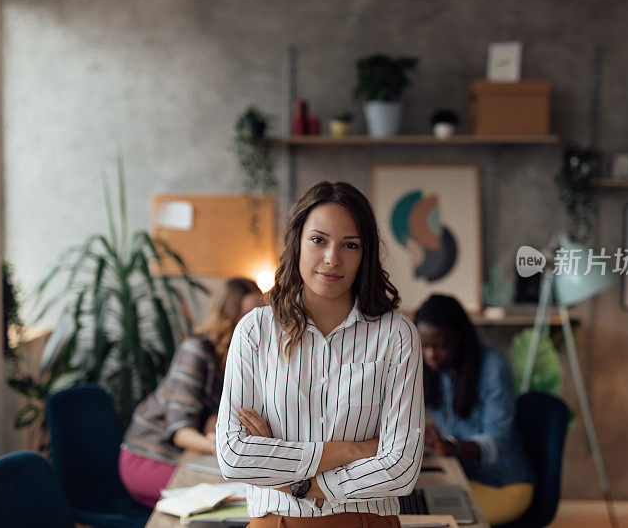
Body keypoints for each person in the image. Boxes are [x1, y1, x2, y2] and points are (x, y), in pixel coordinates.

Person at [216, 181, 425, 528]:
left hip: (365, 523)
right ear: (297, 242)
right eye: (318, 240)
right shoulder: (254, 331)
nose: (332, 258)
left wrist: (295, 478)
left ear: (365, 254)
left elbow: (401, 469)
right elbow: (234, 457)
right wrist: (352, 450)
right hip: (276, 522)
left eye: (350, 245)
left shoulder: (396, 335)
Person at [119, 277, 264, 507]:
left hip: (185, 453)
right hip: (147, 455)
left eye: (261, 312)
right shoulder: (195, 352)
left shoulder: (238, 355)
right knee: (219, 495)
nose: (258, 322)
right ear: (228, 317)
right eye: (249, 314)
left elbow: (214, 416)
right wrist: (220, 447)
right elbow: (180, 431)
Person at [414, 294, 534, 526]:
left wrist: (453, 446)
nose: (430, 355)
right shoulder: (439, 370)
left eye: (439, 345)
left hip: (504, 484)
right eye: (424, 345)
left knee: (436, 521)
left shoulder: (492, 368)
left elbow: (496, 442)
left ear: (458, 336)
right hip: (465, 477)